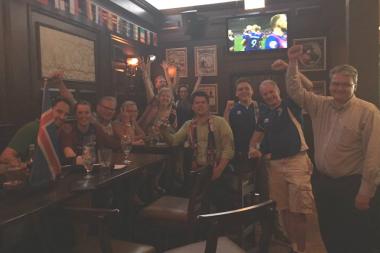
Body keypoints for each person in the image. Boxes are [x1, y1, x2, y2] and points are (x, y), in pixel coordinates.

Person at [286, 44, 380, 253]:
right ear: (330, 84)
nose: (340, 88)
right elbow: (295, 91)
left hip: (352, 186)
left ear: (355, 85)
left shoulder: (368, 112)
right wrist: (292, 62)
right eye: (336, 84)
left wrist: (366, 192)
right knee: (329, 233)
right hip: (324, 184)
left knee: (355, 238)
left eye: (346, 85)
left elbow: (374, 157)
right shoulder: (320, 104)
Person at [249, 79, 314, 253]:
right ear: (262, 97)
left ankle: (302, 250)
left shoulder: (291, 105)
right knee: (283, 209)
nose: (269, 96)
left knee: (299, 210)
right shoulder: (264, 115)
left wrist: (289, 67)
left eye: (271, 92)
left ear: (278, 91)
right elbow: (255, 139)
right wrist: (254, 149)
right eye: (265, 94)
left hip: (297, 162)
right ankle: (293, 247)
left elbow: (309, 87)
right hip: (275, 166)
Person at [161, 91, 234, 210]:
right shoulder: (188, 124)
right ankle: (201, 226)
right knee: (196, 206)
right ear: (193, 106)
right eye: (197, 103)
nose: (200, 105)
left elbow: (229, 148)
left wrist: (219, 170)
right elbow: (174, 141)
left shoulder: (220, 122)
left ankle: (220, 225)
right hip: (197, 171)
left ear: (208, 105)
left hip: (218, 169)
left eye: (203, 102)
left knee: (220, 204)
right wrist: (163, 130)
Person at [0, 97, 71, 167]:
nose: (62, 117)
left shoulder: (59, 131)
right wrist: (24, 165)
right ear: (49, 111)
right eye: (59, 111)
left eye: (66, 114)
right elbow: (5, 156)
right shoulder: (33, 128)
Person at [59, 100, 119, 166]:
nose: (83, 116)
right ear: (75, 115)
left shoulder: (96, 128)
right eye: (80, 113)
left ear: (91, 114)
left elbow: (113, 144)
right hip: (75, 170)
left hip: (94, 168)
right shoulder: (68, 129)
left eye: (87, 113)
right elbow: (69, 154)